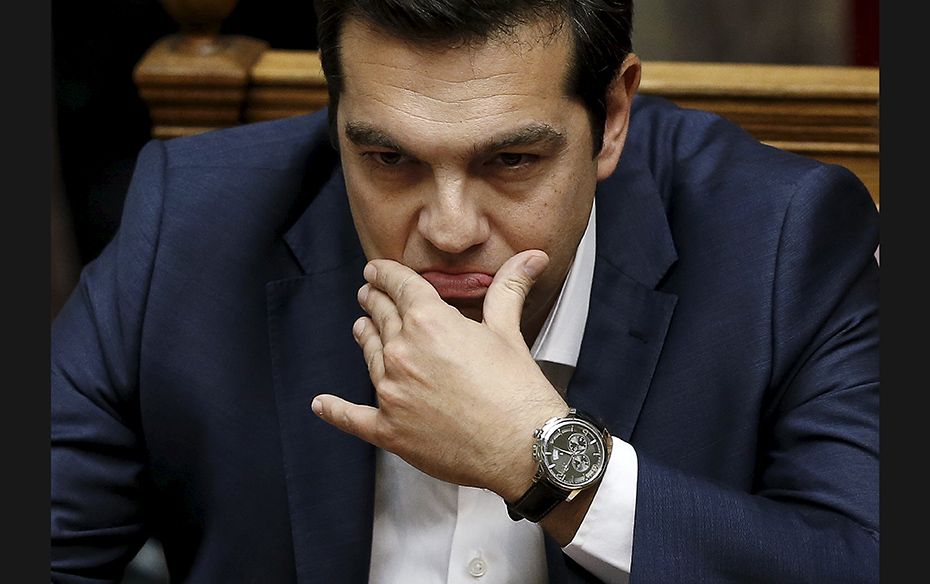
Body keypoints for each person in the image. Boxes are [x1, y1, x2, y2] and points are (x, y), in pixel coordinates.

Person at [50, 1, 879, 582]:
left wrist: (543, 461)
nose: (448, 229)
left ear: (614, 115)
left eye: (510, 161)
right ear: (336, 116)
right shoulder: (189, 227)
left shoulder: (781, 243)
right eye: (389, 160)